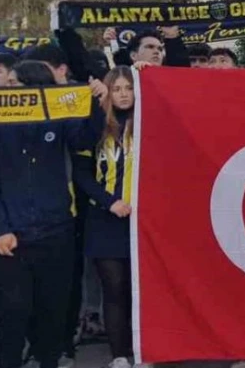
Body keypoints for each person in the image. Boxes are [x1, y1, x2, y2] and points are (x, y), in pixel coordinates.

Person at [0, 60, 94, 368]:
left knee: (52, 313)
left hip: (56, 234)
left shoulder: (59, 119)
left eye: (13, 83)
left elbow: (85, 139)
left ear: (34, 84)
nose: (7, 88)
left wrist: (94, 101)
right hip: (11, 237)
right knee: (12, 314)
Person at [72, 67, 142, 368]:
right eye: (117, 89)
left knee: (141, 290)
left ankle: (143, 349)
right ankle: (119, 355)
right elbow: (81, 175)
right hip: (105, 219)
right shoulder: (96, 125)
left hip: (145, 222)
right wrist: (110, 201)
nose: (124, 94)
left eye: (129, 88)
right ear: (107, 93)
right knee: (114, 288)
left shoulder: (149, 123)